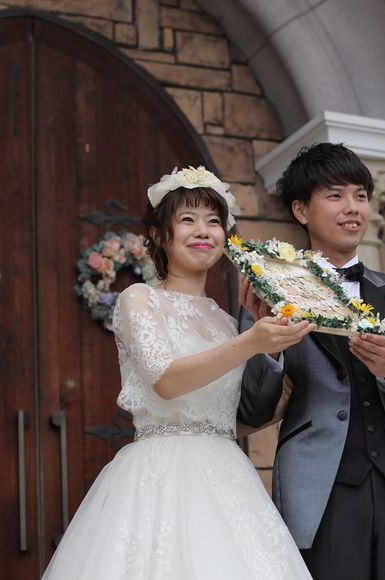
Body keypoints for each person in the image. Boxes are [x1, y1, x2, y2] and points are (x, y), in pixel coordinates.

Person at [42, 166, 315, 580]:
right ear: (158, 235)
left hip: (228, 480)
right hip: (160, 476)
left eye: (213, 221)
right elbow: (167, 381)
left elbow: (228, 419)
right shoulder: (139, 300)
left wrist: (280, 367)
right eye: (187, 219)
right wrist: (252, 342)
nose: (203, 231)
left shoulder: (227, 321)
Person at [238, 143, 385, 580]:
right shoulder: (272, 292)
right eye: (335, 195)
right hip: (320, 489)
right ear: (301, 210)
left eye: (360, 195)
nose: (352, 208)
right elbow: (253, 410)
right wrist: (270, 346)